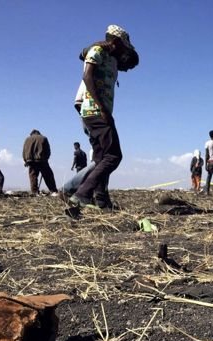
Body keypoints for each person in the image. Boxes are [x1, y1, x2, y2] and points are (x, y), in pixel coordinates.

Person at [68, 24, 137, 211]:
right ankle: (81, 194)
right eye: (124, 47)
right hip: (95, 111)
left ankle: (101, 200)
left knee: (100, 158)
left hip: (97, 111)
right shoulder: (98, 50)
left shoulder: (112, 58)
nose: (125, 53)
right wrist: (102, 109)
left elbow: (132, 62)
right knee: (114, 155)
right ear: (115, 42)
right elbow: (87, 76)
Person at [23, 129, 58, 195]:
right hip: (42, 160)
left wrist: (26, 160)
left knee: (33, 177)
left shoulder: (27, 139)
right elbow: (48, 151)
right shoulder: (43, 138)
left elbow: (24, 151)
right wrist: (46, 159)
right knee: (48, 175)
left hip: (31, 161)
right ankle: (53, 190)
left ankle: (34, 192)